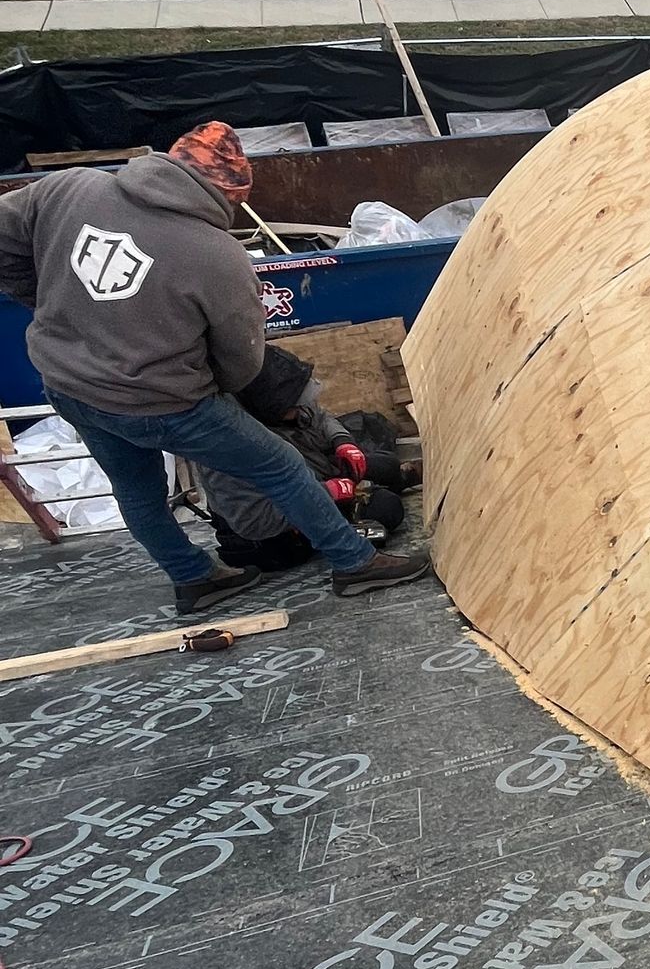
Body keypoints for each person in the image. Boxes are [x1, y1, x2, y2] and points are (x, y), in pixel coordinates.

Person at [0, 122, 429, 612]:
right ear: (230, 192)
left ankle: (194, 578)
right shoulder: (218, 255)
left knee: (137, 489)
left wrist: (38, 299)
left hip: (69, 384)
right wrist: (217, 393)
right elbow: (242, 360)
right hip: (162, 401)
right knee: (281, 467)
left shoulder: (68, 187)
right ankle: (355, 564)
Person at [199, 342, 408, 574]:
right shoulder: (227, 445)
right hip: (276, 535)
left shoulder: (280, 398)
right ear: (267, 410)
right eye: (295, 406)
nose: (302, 409)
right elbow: (254, 522)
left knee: (387, 465)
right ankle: (349, 547)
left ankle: (403, 476)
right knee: (387, 507)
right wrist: (327, 493)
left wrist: (342, 442)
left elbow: (319, 414)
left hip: (313, 477)